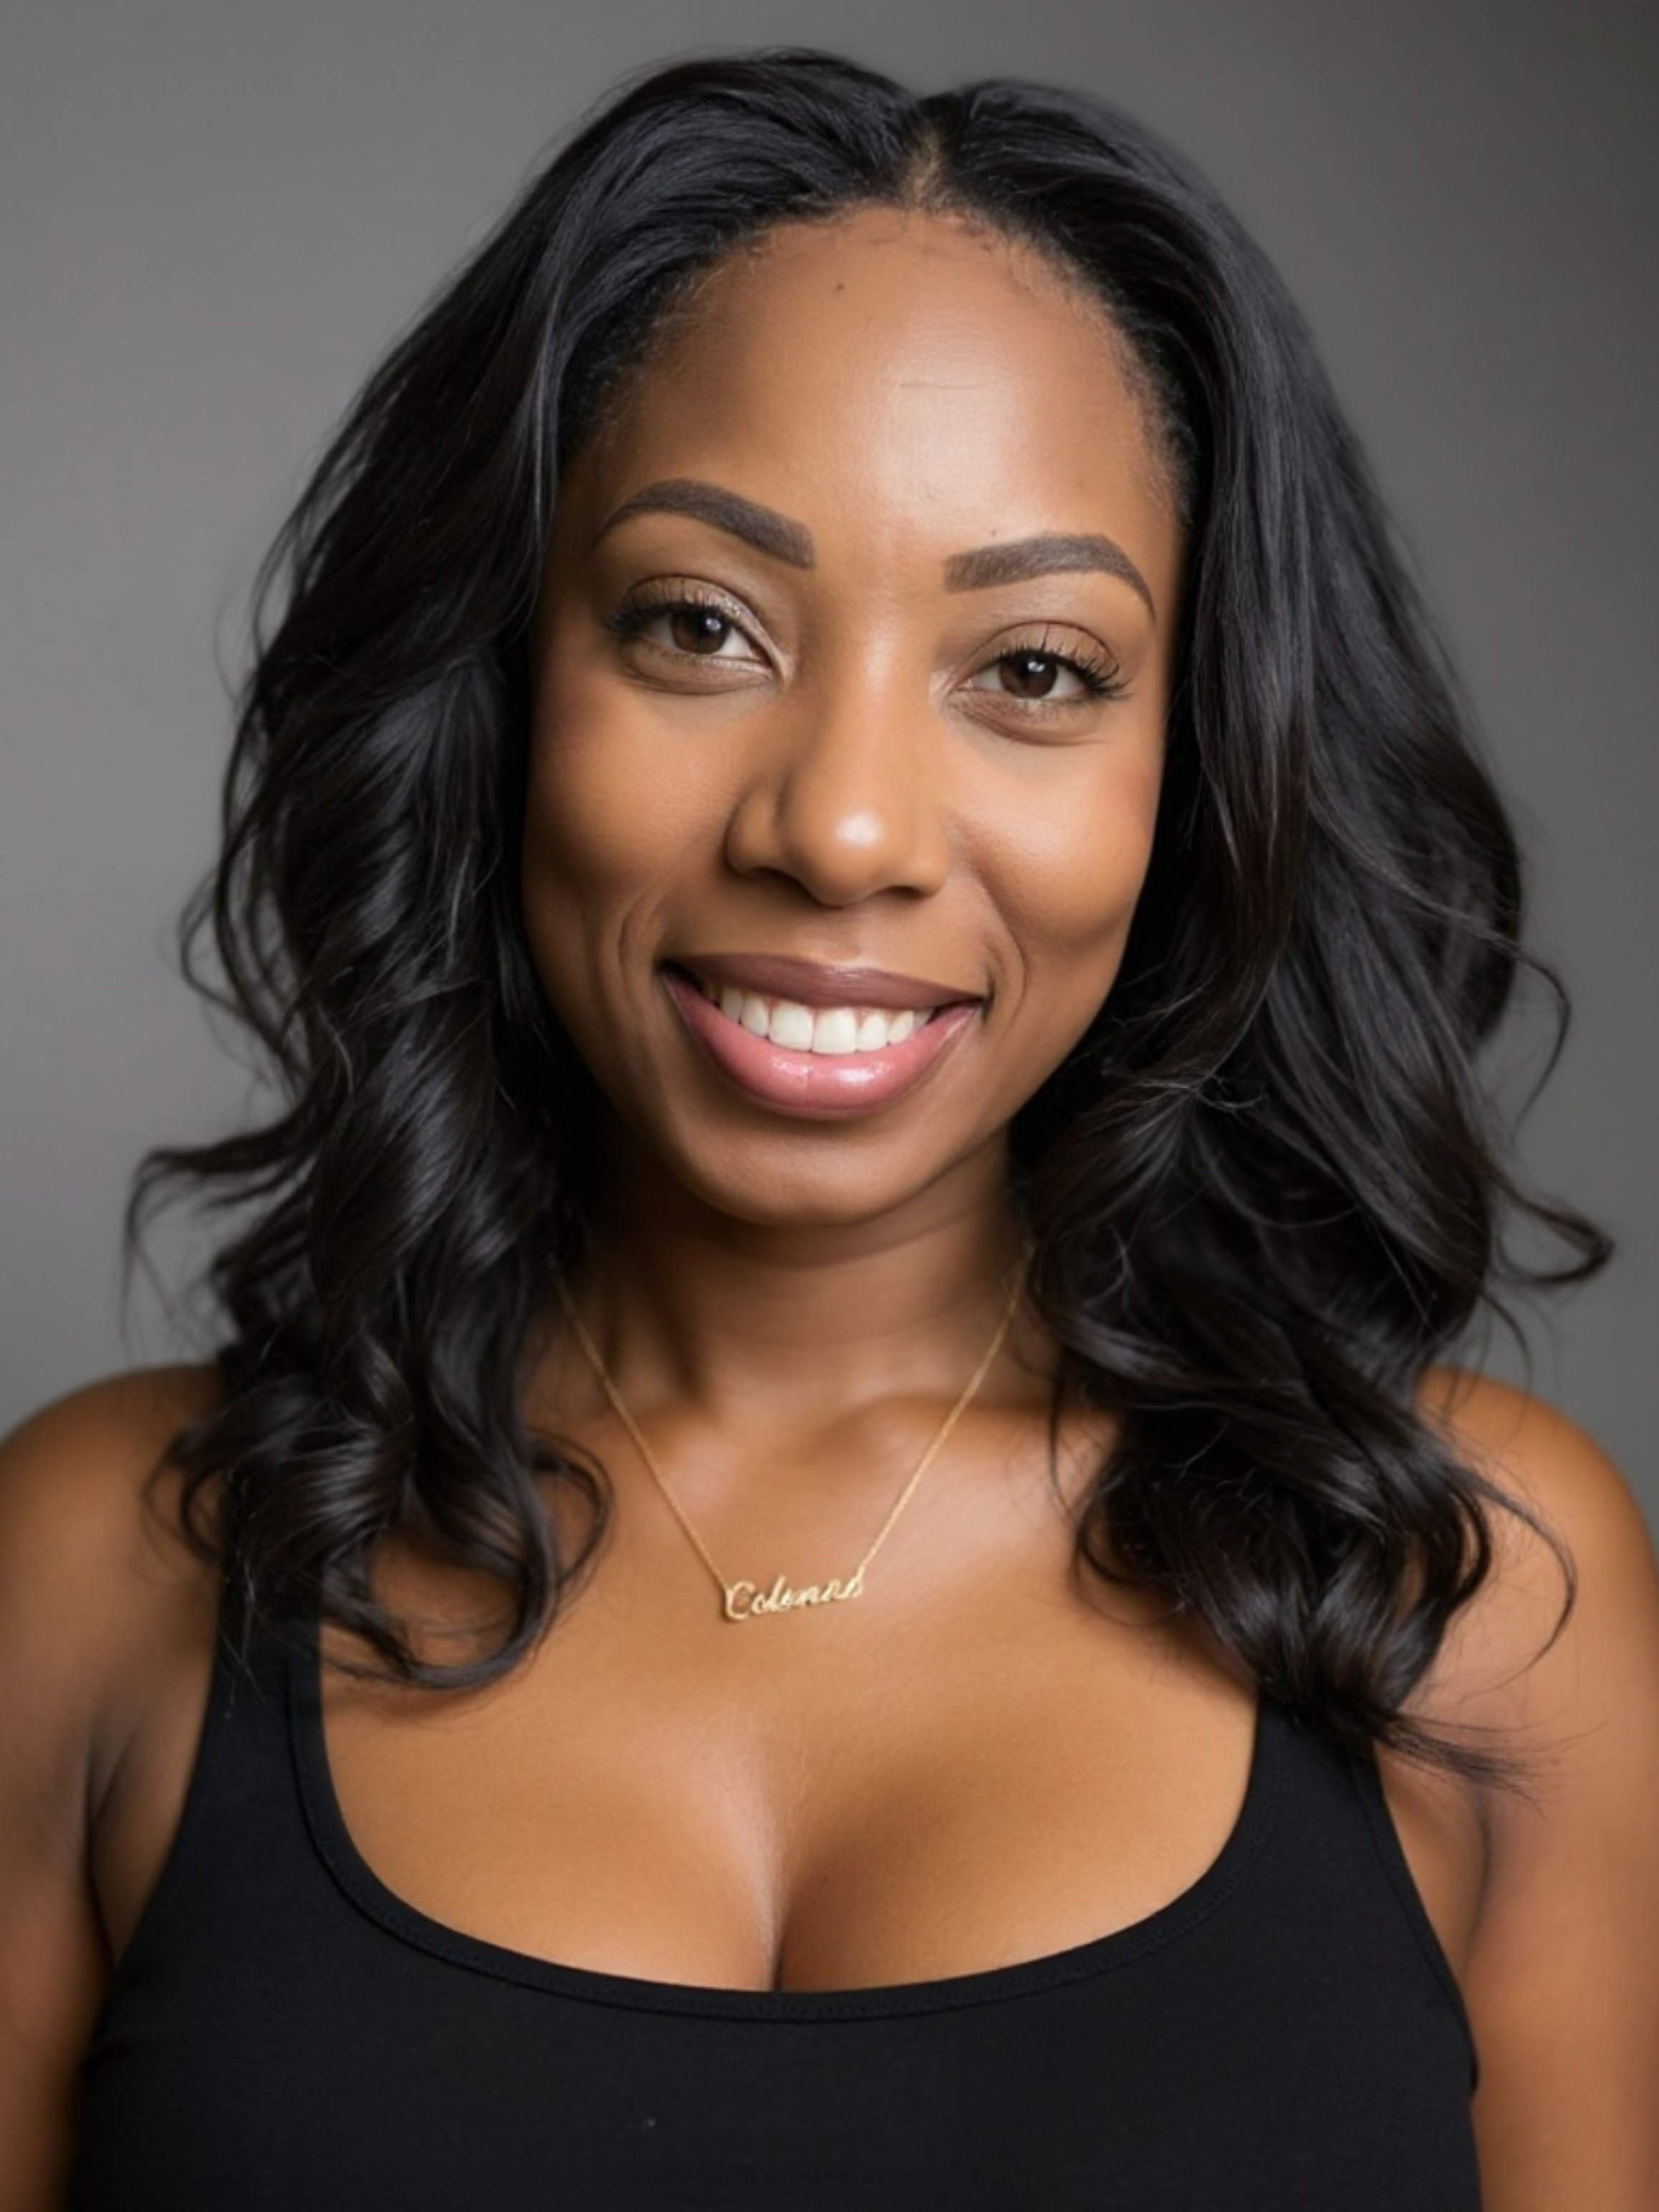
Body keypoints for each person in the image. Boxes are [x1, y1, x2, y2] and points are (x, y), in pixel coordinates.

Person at [3, 47, 1655, 2210]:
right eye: (701, 625)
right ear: (502, 687)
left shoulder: (1474, 1593)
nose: (844, 826)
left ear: (1204, 775)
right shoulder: (97, 1571)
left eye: (1035, 671)